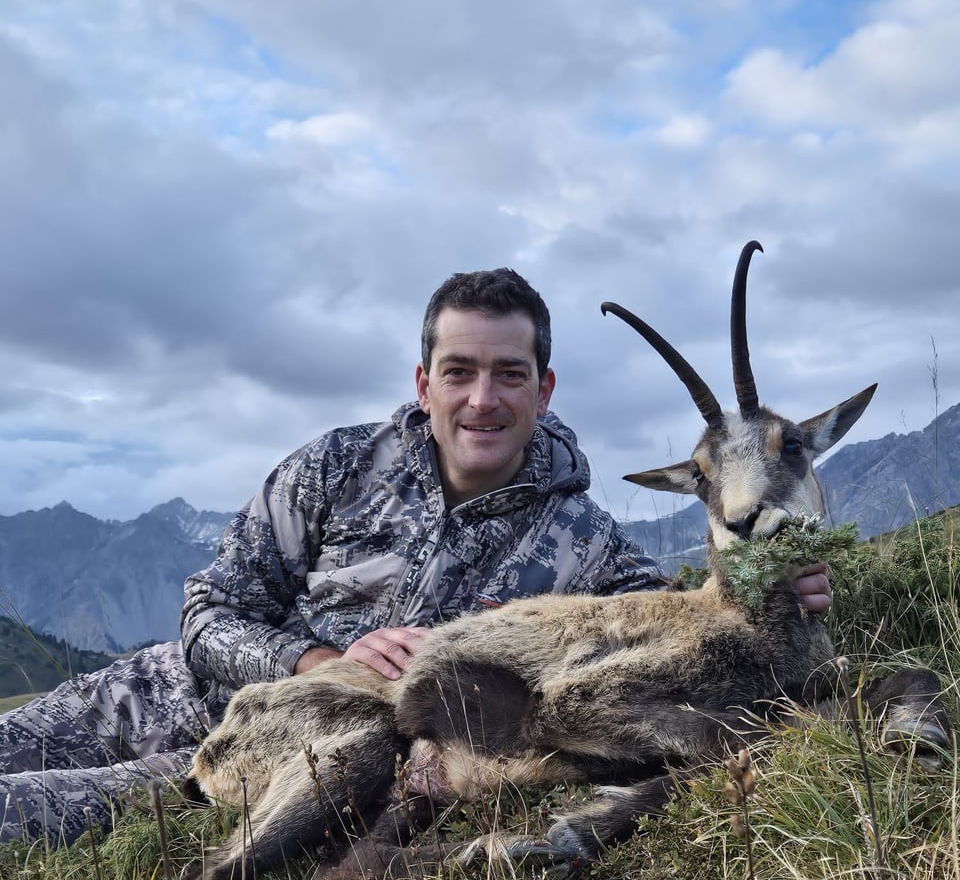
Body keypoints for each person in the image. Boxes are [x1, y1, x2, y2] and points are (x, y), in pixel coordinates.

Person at [0, 268, 830, 846]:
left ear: (544, 389)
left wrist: (780, 587)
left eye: (509, 374)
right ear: (424, 380)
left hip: (286, 755)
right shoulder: (334, 467)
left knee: (21, 819)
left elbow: (678, 630)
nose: (483, 398)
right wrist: (314, 654)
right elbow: (209, 610)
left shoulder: (588, 547)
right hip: (148, 696)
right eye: (459, 371)